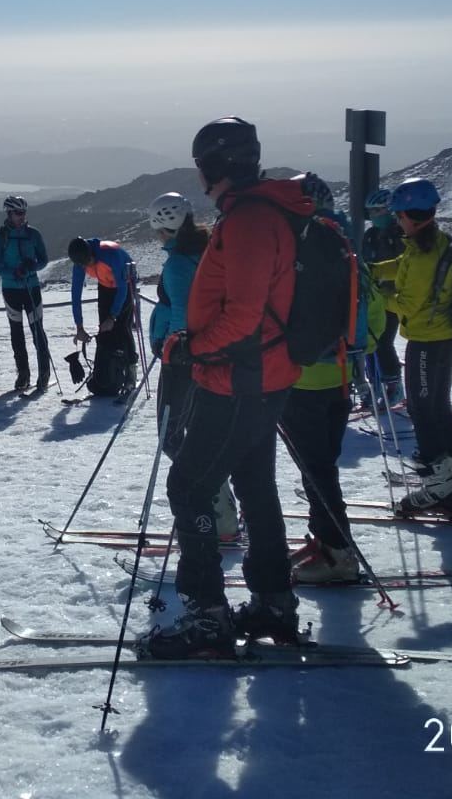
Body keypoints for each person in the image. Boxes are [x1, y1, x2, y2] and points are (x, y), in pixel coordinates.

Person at [144, 117, 305, 659]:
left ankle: (208, 617)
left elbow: (243, 314)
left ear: (214, 165)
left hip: (239, 378)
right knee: (255, 486)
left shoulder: (250, 220)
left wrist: (193, 347)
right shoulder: (253, 213)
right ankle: (273, 602)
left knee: (189, 486)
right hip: (259, 374)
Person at [279, 176, 381, 584]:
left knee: (316, 470)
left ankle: (337, 554)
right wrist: (357, 352)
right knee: (322, 466)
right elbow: (373, 309)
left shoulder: (297, 246)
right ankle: (325, 540)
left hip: (300, 377)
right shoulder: (345, 243)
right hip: (341, 374)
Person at [370, 178, 452, 515]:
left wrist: (376, 295)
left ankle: (439, 488)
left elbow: (408, 305)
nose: (396, 220)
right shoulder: (431, 242)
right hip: (445, 337)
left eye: (398, 215)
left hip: (428, 341)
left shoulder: (425, 253)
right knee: (439, 409)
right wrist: (373, 271)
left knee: (423, 411)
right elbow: (403, 266)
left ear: (410, 216)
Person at [147, 192, 237, 540]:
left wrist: (169, 347)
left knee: (171, 436)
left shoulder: (178, 263)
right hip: (209, 354)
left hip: (181, 357)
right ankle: (220, 507)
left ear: (162, 227)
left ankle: (213, 507)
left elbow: (183, 313)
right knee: (198, 432)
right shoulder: (206, 250)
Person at [0, 196, 51, 392]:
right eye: (18, 213)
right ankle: (23, 374)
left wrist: (32, 267)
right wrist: (13, 273)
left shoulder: (34, 234)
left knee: (37, 330)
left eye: (24, 212)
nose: (22, 216)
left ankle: (44, 372)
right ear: (9, 213)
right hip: (11, 290)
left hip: (31, 287)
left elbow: (44, 260)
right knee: (16, 333)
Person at [67, 235, 139, 397]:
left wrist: (112, 317)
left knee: (122, 327)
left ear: (92, 253)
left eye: (89, 261)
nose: (88, 266)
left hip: (125, 284)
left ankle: (131, 370)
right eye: (85, 264)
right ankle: (108, 371)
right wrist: (79, 327)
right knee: (104, 329)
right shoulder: (80, 263)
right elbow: (75, 295)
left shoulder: (110, 253)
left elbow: (122, 289)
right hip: (105, 285)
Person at [360, 188, 406, 412]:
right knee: (369, 342)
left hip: (391, 297)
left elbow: (404, 267)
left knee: (383, 341)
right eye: (371, 211)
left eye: (377, 210)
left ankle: (393, 385)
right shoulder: (370, 235)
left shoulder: (399, 234)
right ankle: (375, 386)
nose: (373, 215)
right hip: (373, 297)